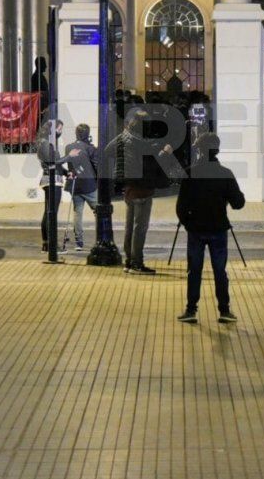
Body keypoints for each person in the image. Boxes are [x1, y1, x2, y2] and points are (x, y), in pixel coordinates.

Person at [175, 133, 246, 324]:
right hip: (218, 229)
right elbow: (238, 203)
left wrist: (188, 224)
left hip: (196, 230)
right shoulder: (225, 173)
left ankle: (191, 310)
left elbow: (180, 207)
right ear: (217, 150)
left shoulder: (190, 172)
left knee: (194, 270)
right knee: (220, 271)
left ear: (199, 150)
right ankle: (224, 310)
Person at [106, 108, 174, 274]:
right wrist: (165, 153)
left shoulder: (124, 137)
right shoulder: (142, 142)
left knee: (130, 227)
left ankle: (129, 261)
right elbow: (153, 164)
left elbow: (108, 150)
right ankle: (137, 263)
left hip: (128, 187)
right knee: (139, 228)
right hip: (142, 188)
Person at [64, 123, 99, 251]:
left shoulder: (68, 147)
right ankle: (100, 238)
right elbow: (96, 165)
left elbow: (70, 165)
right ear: (88, 135)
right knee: (99, 212)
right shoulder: (90, 148)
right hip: (89, 184)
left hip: (75, 183)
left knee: (77, 212)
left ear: (76, 133)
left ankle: (79, 241)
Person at [36, 118, 68, 253]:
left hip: (54, 178)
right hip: (51, 180)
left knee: (49, 212)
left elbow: (57, 164)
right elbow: (52, 162)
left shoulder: (49, 142)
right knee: (51, 213)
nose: (60, 131)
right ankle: (51, 245)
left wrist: (67, 172)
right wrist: (69, 157)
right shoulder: (45, 143)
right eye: (59, 129)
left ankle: (47, 243)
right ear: (52, 129)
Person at [30, 56, 50, 124]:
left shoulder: (40, 76)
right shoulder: (36, 77)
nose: (46, 66)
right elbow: (38, 92)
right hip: (40, 107)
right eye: (44, 64)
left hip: (42, 106)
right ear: (40, 65)